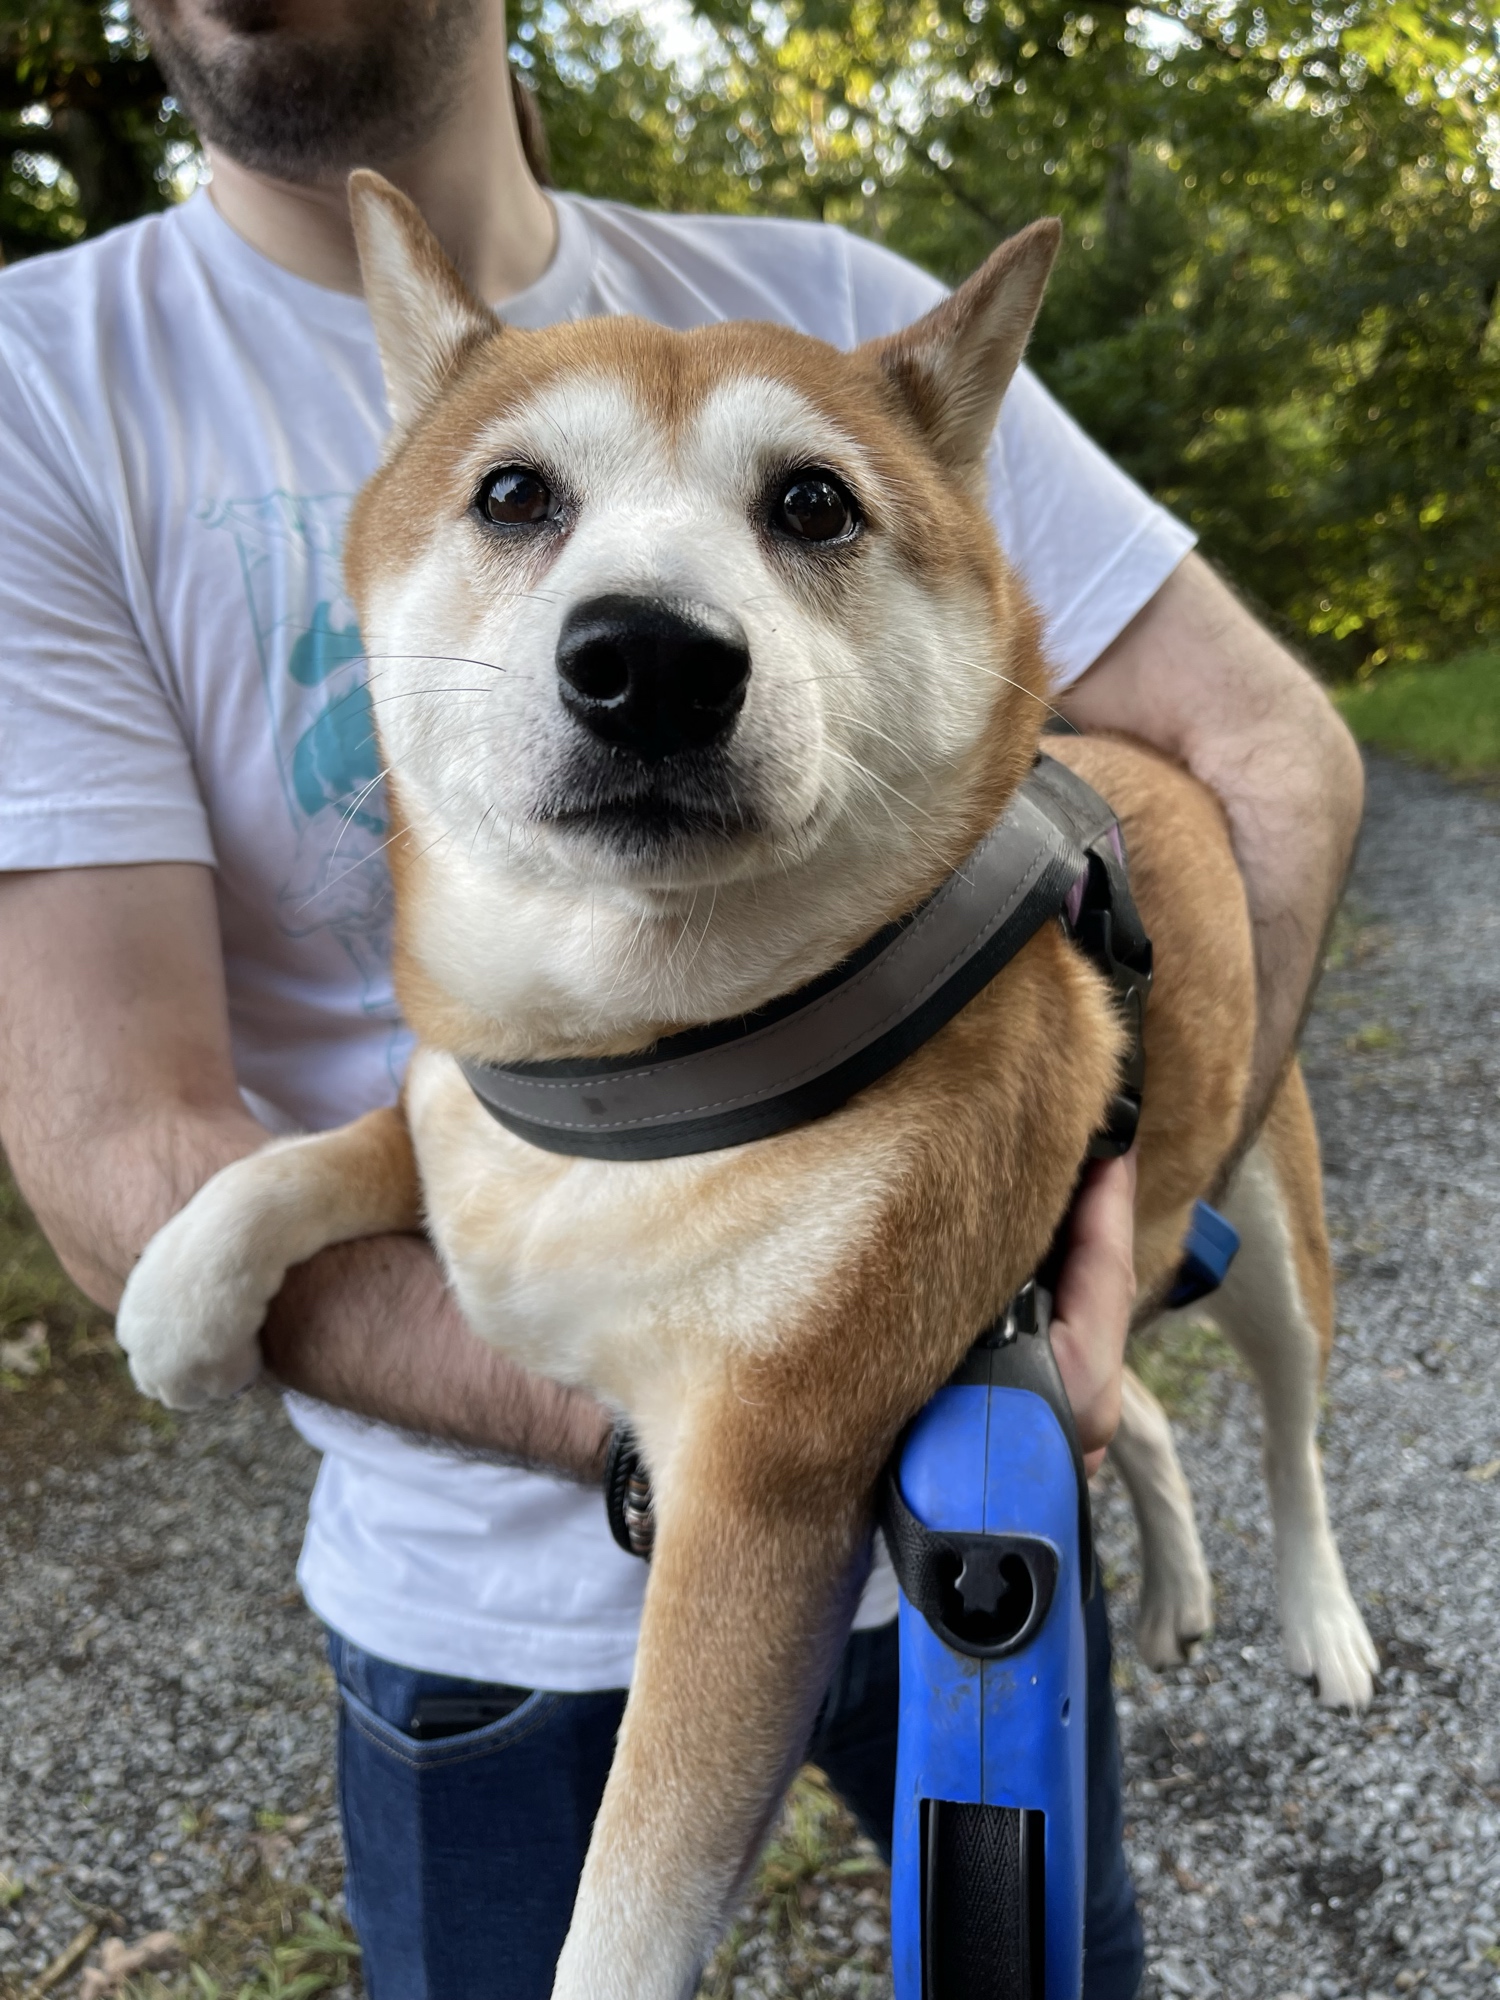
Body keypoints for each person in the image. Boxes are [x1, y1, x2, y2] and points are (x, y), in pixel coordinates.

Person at [0, 3, 1363, 1995]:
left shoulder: (836, 301)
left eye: (806, 509)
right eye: (517, 500)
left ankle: (1278, 1514)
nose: (646, 633)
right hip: (469, 1621)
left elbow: (1273, 758)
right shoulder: (41, 390)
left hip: (984, 1527)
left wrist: (1134, 1218)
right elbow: (137, 1132)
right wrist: (770, 1431)